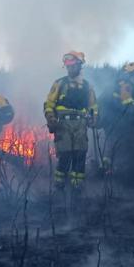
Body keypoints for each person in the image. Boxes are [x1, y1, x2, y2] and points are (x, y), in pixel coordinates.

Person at [44, 51, 98, 193]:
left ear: (80, 65)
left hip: (81, 124)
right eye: (67, 66)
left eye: (72, 65)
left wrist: (94, 118)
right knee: (65, 155)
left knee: (80, 155)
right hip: (63, 124)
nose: (69, 68)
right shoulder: (60, 83)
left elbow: (93, 106)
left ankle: (77, 188)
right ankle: (59, 188)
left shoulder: (87, 86)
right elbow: (49, 103)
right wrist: (51, 118)